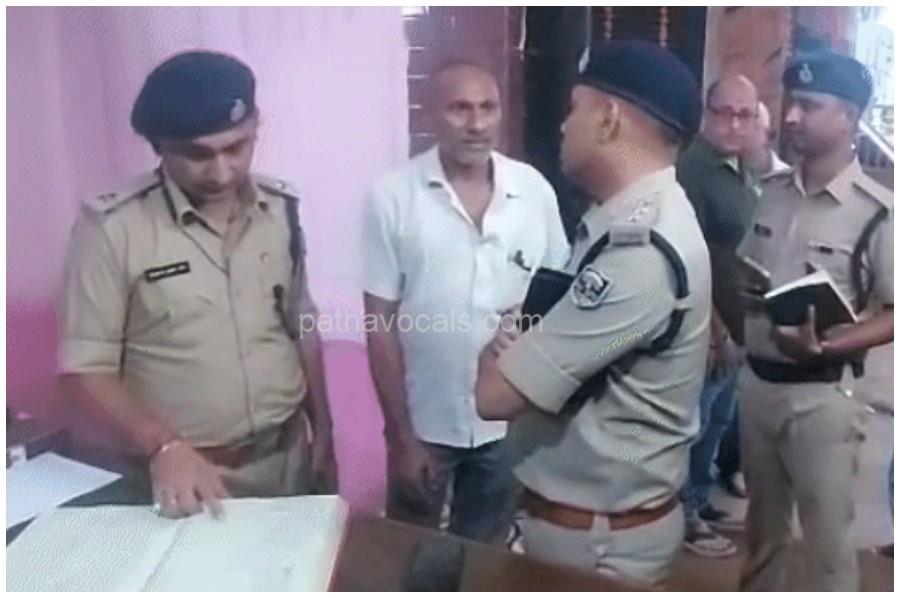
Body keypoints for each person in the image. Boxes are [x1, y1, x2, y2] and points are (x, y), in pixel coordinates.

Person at [57, 51, 338, 519]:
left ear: (256, 127)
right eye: (198, 155)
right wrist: (162, 445)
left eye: (237, 148)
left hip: (287, 461)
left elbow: (300, 326)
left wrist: (323, 429)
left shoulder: (280, 209)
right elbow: (85, 370)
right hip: (188, 477)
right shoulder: (112, 229)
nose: (222, 172)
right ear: (160, 147)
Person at [475, 40, 711, 586]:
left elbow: (494, 398)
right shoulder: (622, 220)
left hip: (598, 545)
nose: (563, 127)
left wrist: (496, 354)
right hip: (587, 528)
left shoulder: (641, 252)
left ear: (607, 119)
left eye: (573, 109)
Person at [362, 61, 569, 543]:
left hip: (508, 424)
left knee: (484, 555)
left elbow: (558, 298)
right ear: (431, 114)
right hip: (426, 422)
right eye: (460, 109)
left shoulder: (533, 192)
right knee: (410, 554)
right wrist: (401, 437)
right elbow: (379, 323)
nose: (476, 124)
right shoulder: (392, 196)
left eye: (487, 108)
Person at [738, 49, 893, 591]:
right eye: (791, 103)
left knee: (828, 544)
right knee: (762, 536)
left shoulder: (877, 211)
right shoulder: (772, 192)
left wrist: (829, 346)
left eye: (809, 105)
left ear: (849, 117)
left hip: (823, 397)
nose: (791, 116)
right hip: (758, 385)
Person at [674, 75, 761, 557]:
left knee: (719, 421)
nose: (734, 124)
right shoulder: (692, 170)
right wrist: (715, 328)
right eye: (724, 113)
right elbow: (687, 257)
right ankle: (683, 513)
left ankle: (700, 498)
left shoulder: (742, 167)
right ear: (706, 114)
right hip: (709, 330)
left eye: (744, 115)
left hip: (741, 324)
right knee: (696, 422)